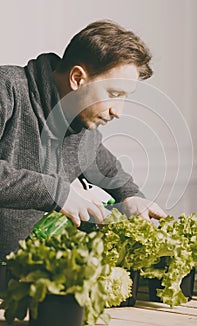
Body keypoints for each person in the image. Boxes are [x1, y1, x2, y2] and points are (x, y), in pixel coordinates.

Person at [0, 20, 166, 260]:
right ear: (78, 78)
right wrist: (57, 192)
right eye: (114, 94)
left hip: (25, 276)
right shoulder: (7, 88)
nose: (117, 111)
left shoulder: (80, 124)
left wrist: (131, 197)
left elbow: (106, 166)